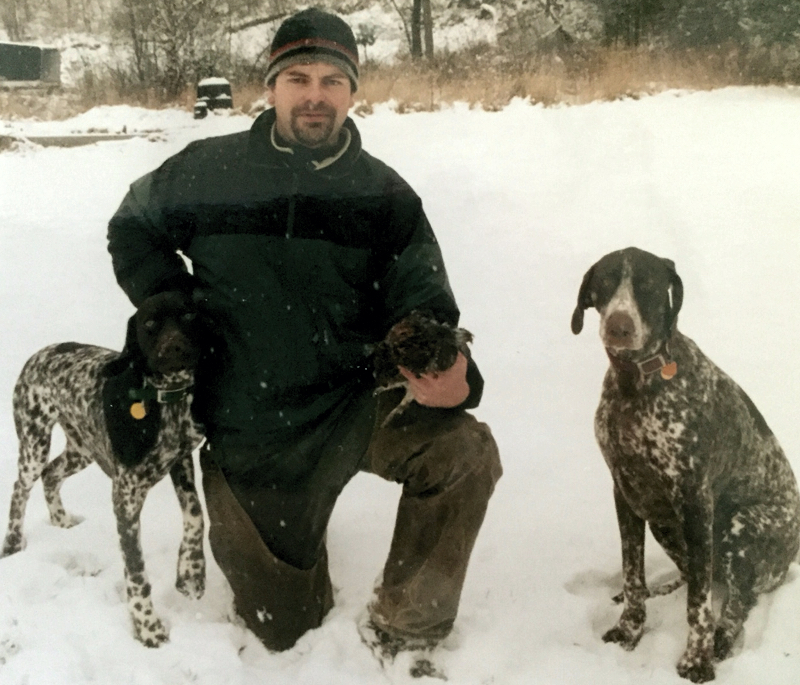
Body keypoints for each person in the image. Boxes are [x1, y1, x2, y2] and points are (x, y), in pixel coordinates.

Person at [107, 7, 502, 664]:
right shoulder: (208, 171)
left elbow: (424, 296)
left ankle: (405, 630)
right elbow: (132, 224)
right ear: (271, 87)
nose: (314, 95)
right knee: (285, 630)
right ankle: (294, 554)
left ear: (352, 92)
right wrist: (170, 305)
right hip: (249, 425)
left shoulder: (385, 197)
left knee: (463, 448)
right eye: (297, 77)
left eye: (330, 80)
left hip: (355, 404)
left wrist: (449, 369)